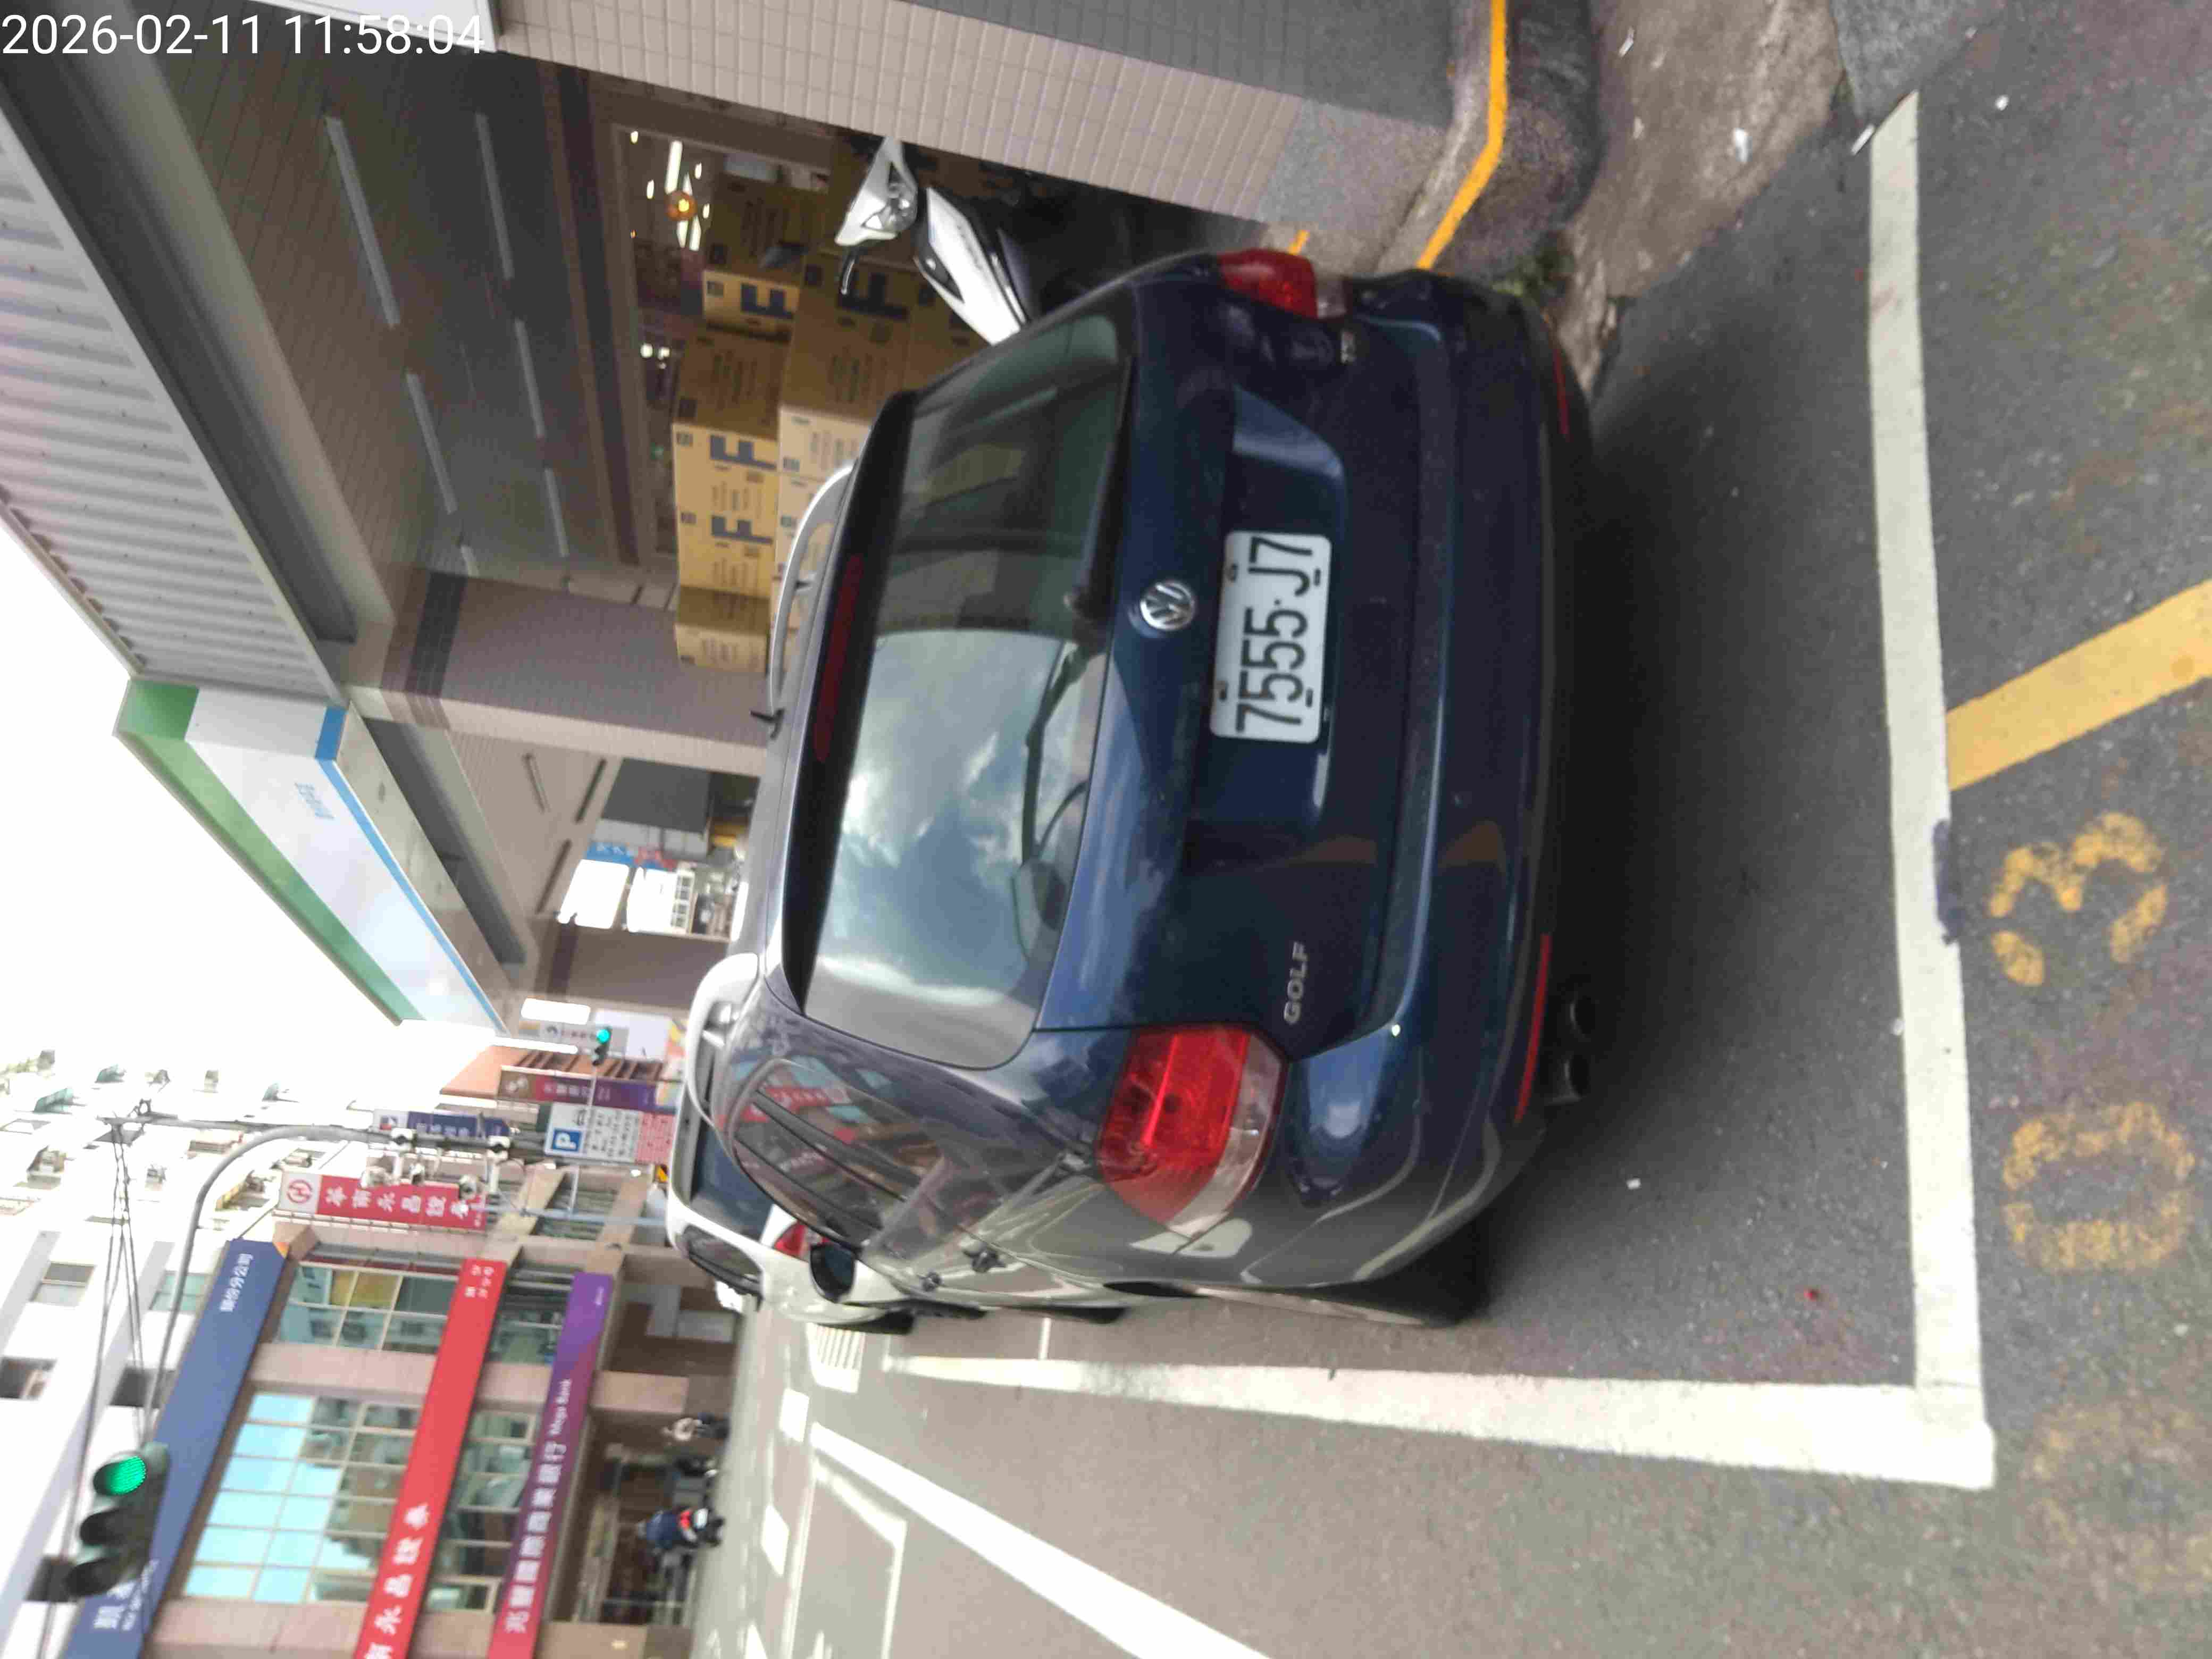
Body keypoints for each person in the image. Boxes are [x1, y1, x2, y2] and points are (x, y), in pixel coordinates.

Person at [638, 1504, 723, 1552]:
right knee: (691, 1514)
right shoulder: (656, 1516)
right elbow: (672, 1510)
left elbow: (668, 1546)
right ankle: (711, 1518)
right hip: (683, 1518)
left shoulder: (652, 1538)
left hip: (684, 1530)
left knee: (689, 1542)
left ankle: (711, 1539)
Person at [661, 1413, 730, 1444]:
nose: (669, 1431)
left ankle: (721, 1421)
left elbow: (688, 1420)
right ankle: (720, 1434)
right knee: (703, 1432)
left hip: (696, 1424)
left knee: (704, 1416)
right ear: (669, 1435)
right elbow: (687, 1437)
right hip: (696, 1433)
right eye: (668, 1432)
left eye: (668, 1430)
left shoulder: (677, 1425)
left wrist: (690, 1426)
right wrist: (690, 1429)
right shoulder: (677, 1436)